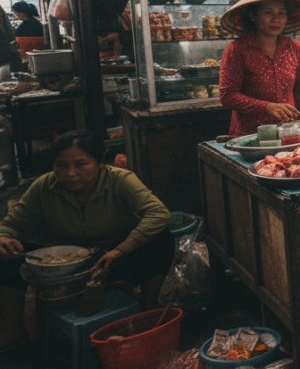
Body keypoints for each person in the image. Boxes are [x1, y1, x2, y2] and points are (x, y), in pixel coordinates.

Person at [0, 131, 173, 346]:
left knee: (160, 239)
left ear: (100, 161)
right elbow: (12, 224)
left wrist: (121, 250)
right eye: (61, 165)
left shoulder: (120, 180)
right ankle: (13, 331)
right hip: (69, 266)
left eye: (81, 164)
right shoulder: (44, 187)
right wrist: (5, 238)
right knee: (6, 257)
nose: (70, 173)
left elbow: (158, 214)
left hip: (115, 258)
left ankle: (150, 311)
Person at [218, 0, 300, 137]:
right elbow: (228, 95)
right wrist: (267, 107)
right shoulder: (237, 49)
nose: (276, 19)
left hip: (290, 132)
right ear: (253, 16)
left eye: (282, 13)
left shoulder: (293, 47)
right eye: (268, 13)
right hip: (251, 136)